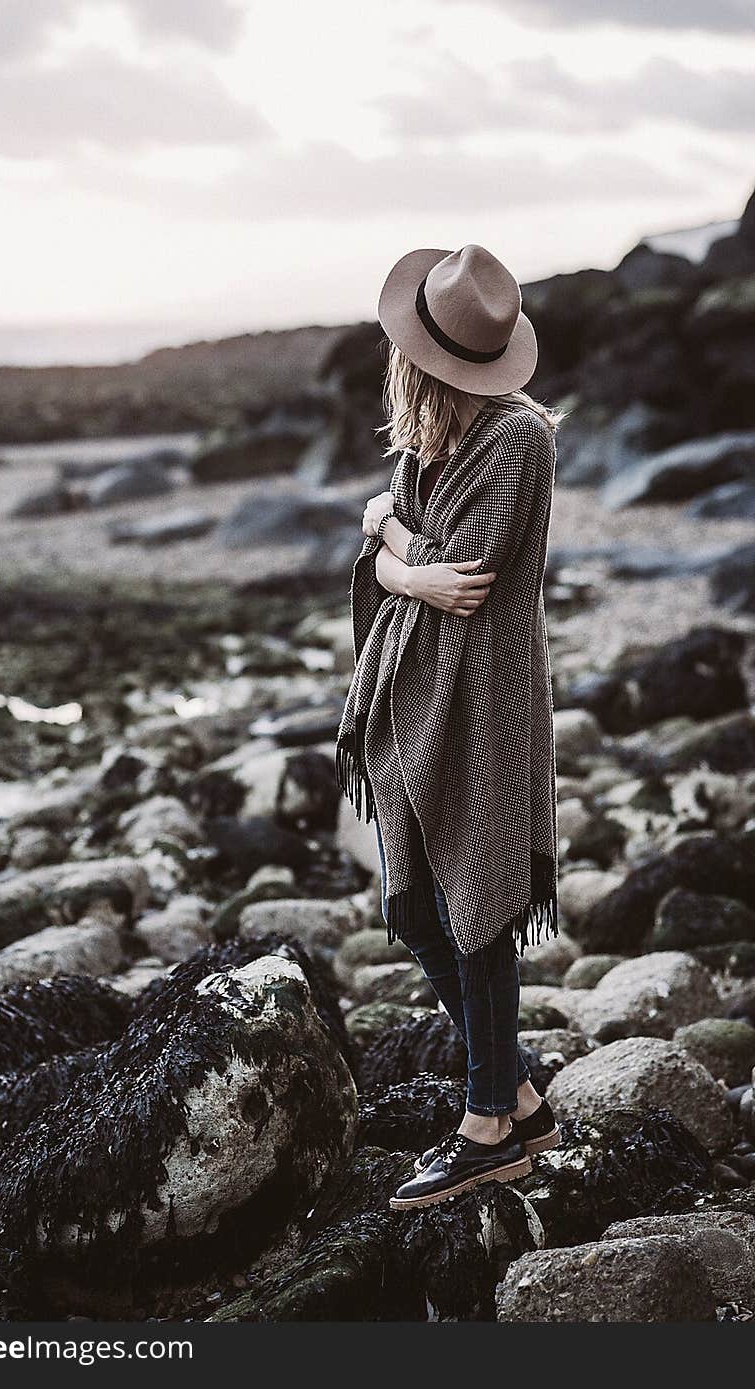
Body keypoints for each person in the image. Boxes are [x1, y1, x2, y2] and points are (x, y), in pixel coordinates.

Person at [334, 243, 565, 1209]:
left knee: (477, 907)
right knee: (420, 905)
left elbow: (460, 578)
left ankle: (488, 1131)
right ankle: (512, 1090)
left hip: (485, 699)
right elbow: (408, 577)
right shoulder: (428, 442)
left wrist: (387, 536)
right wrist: (399, 561)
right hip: (413, 694)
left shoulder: (515, 440)